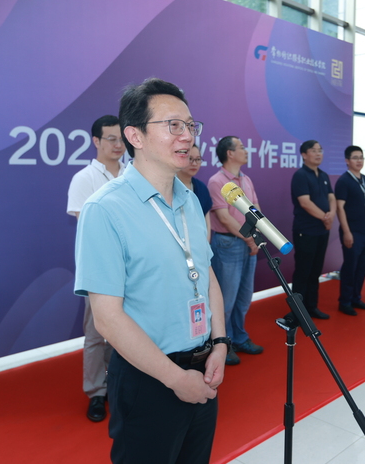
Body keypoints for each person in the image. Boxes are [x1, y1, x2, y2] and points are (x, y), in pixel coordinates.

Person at [74, 79, 228, 463]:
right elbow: (107, 319)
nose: (187, 136)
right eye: (173, 125)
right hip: (148, 377)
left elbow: (206, 274)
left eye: (190, 125)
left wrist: (221, 343)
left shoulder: (189, 200)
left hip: (203, 369)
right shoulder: (104, 209)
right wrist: (176, 379)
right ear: (135, 136)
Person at [67, 114, 126, 422]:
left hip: (132, 269)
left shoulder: (134, 174)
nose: (118, 145)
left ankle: (118, 385)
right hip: (99, 271)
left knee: (126, 332)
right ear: (96, 141)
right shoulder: (84, 178)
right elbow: (88, 227)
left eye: (121, 139)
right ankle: (96, 392)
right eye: (111, 139)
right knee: (95, 334)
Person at [208, 136, 265, 365]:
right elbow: (224, 218)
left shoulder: (246, 179)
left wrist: (257, 235)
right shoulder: (216, 181)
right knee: (226, 299)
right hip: (228, 244)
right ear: (230, 153)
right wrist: (250, 239)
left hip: (248, 242)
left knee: (244, 297)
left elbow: (255, 209)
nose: (246, 150)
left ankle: (240, 337)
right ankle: (223, 344)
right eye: (241, 147)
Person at [290, 140, 336, 320]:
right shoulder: (300, 175)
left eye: (320, 150)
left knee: (316, 271)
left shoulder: (323, 175)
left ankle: (311, 307)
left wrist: (331, 215)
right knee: (303, 271)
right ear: (304, 155)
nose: (318, 154)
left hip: (322, 230)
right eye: (314, 151)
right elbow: (305, 203)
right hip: (306, 230)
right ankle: (298, 312)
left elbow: (331, 198)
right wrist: (325, 218)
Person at [334, 146, 365, 316]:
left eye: (361, 157)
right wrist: (346, 232)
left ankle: (356, 298)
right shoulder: (344, 181)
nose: (359, 161)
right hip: (352, 231)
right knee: (350, 267)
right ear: (347, 160)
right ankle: (345, 302)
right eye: (355, 157)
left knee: (362, 267)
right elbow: (340, 208)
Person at [177, 144, 211, 240]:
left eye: (198, 159)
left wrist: (206, 244)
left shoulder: (201, 188)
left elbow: (206, 222)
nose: (194, 163)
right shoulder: (168, 186)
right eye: (190, 159)